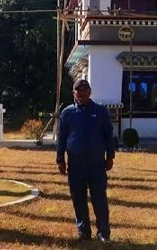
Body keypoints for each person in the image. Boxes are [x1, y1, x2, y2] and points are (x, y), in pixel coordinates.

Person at [56, 79, 115, 243]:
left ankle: (103, 233)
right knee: (78, 200)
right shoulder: (67, 113)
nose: (82, 94)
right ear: (74, 93)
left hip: (97, 164)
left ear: (90, 92)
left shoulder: (100, 111)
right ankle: (83, 232)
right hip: (75, 165)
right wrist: (60, 159)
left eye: (85, 91)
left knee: (100, 199)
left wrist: (110, 156)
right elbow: (61, 137)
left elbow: (108, 135)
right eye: (78, 91)